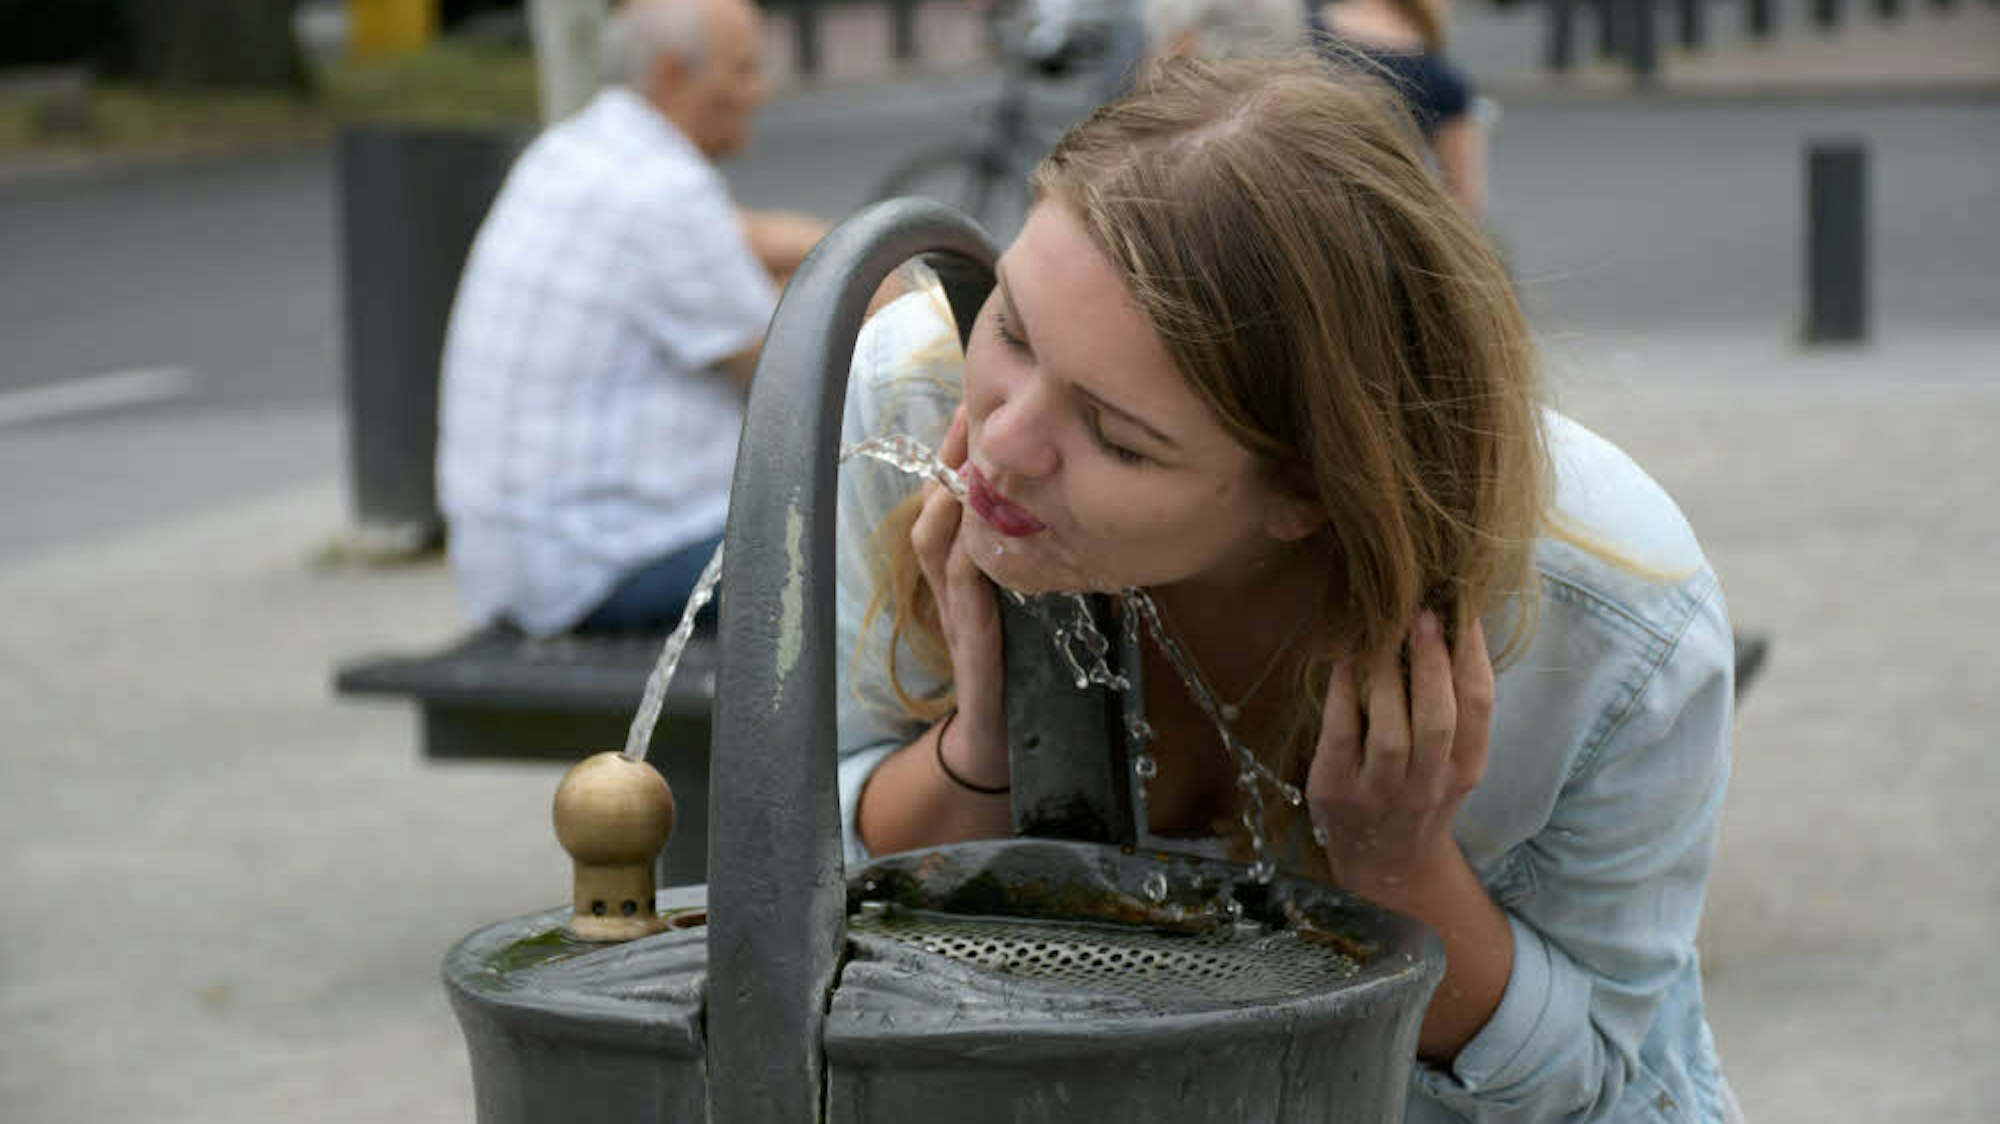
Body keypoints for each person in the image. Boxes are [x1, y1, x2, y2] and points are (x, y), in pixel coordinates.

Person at [835, 54, 1741, 1123]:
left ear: (1303, 493)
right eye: (1016, 332)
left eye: (1115, 438)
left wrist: (1394, 863)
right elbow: (813, 889)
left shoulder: (1614, 624)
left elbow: (1578, 1083)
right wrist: (984, 745)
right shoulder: (913, 388)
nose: (1001, 441)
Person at [436, 0, 826, 638]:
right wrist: (888, 291)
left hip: (515, 563)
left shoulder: (573, 151)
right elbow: (796, 373)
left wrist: (828, 247)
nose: (760, 90)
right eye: (744, 69)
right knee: (881, 564)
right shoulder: (665, 194)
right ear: (674, 74)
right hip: (607, 568)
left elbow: (743, 237)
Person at [1309, 0, 1488, 216]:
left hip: (1298, 210)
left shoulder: (1306, 27)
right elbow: (1464, 196)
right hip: (1385, 222)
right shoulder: (1440, 77)